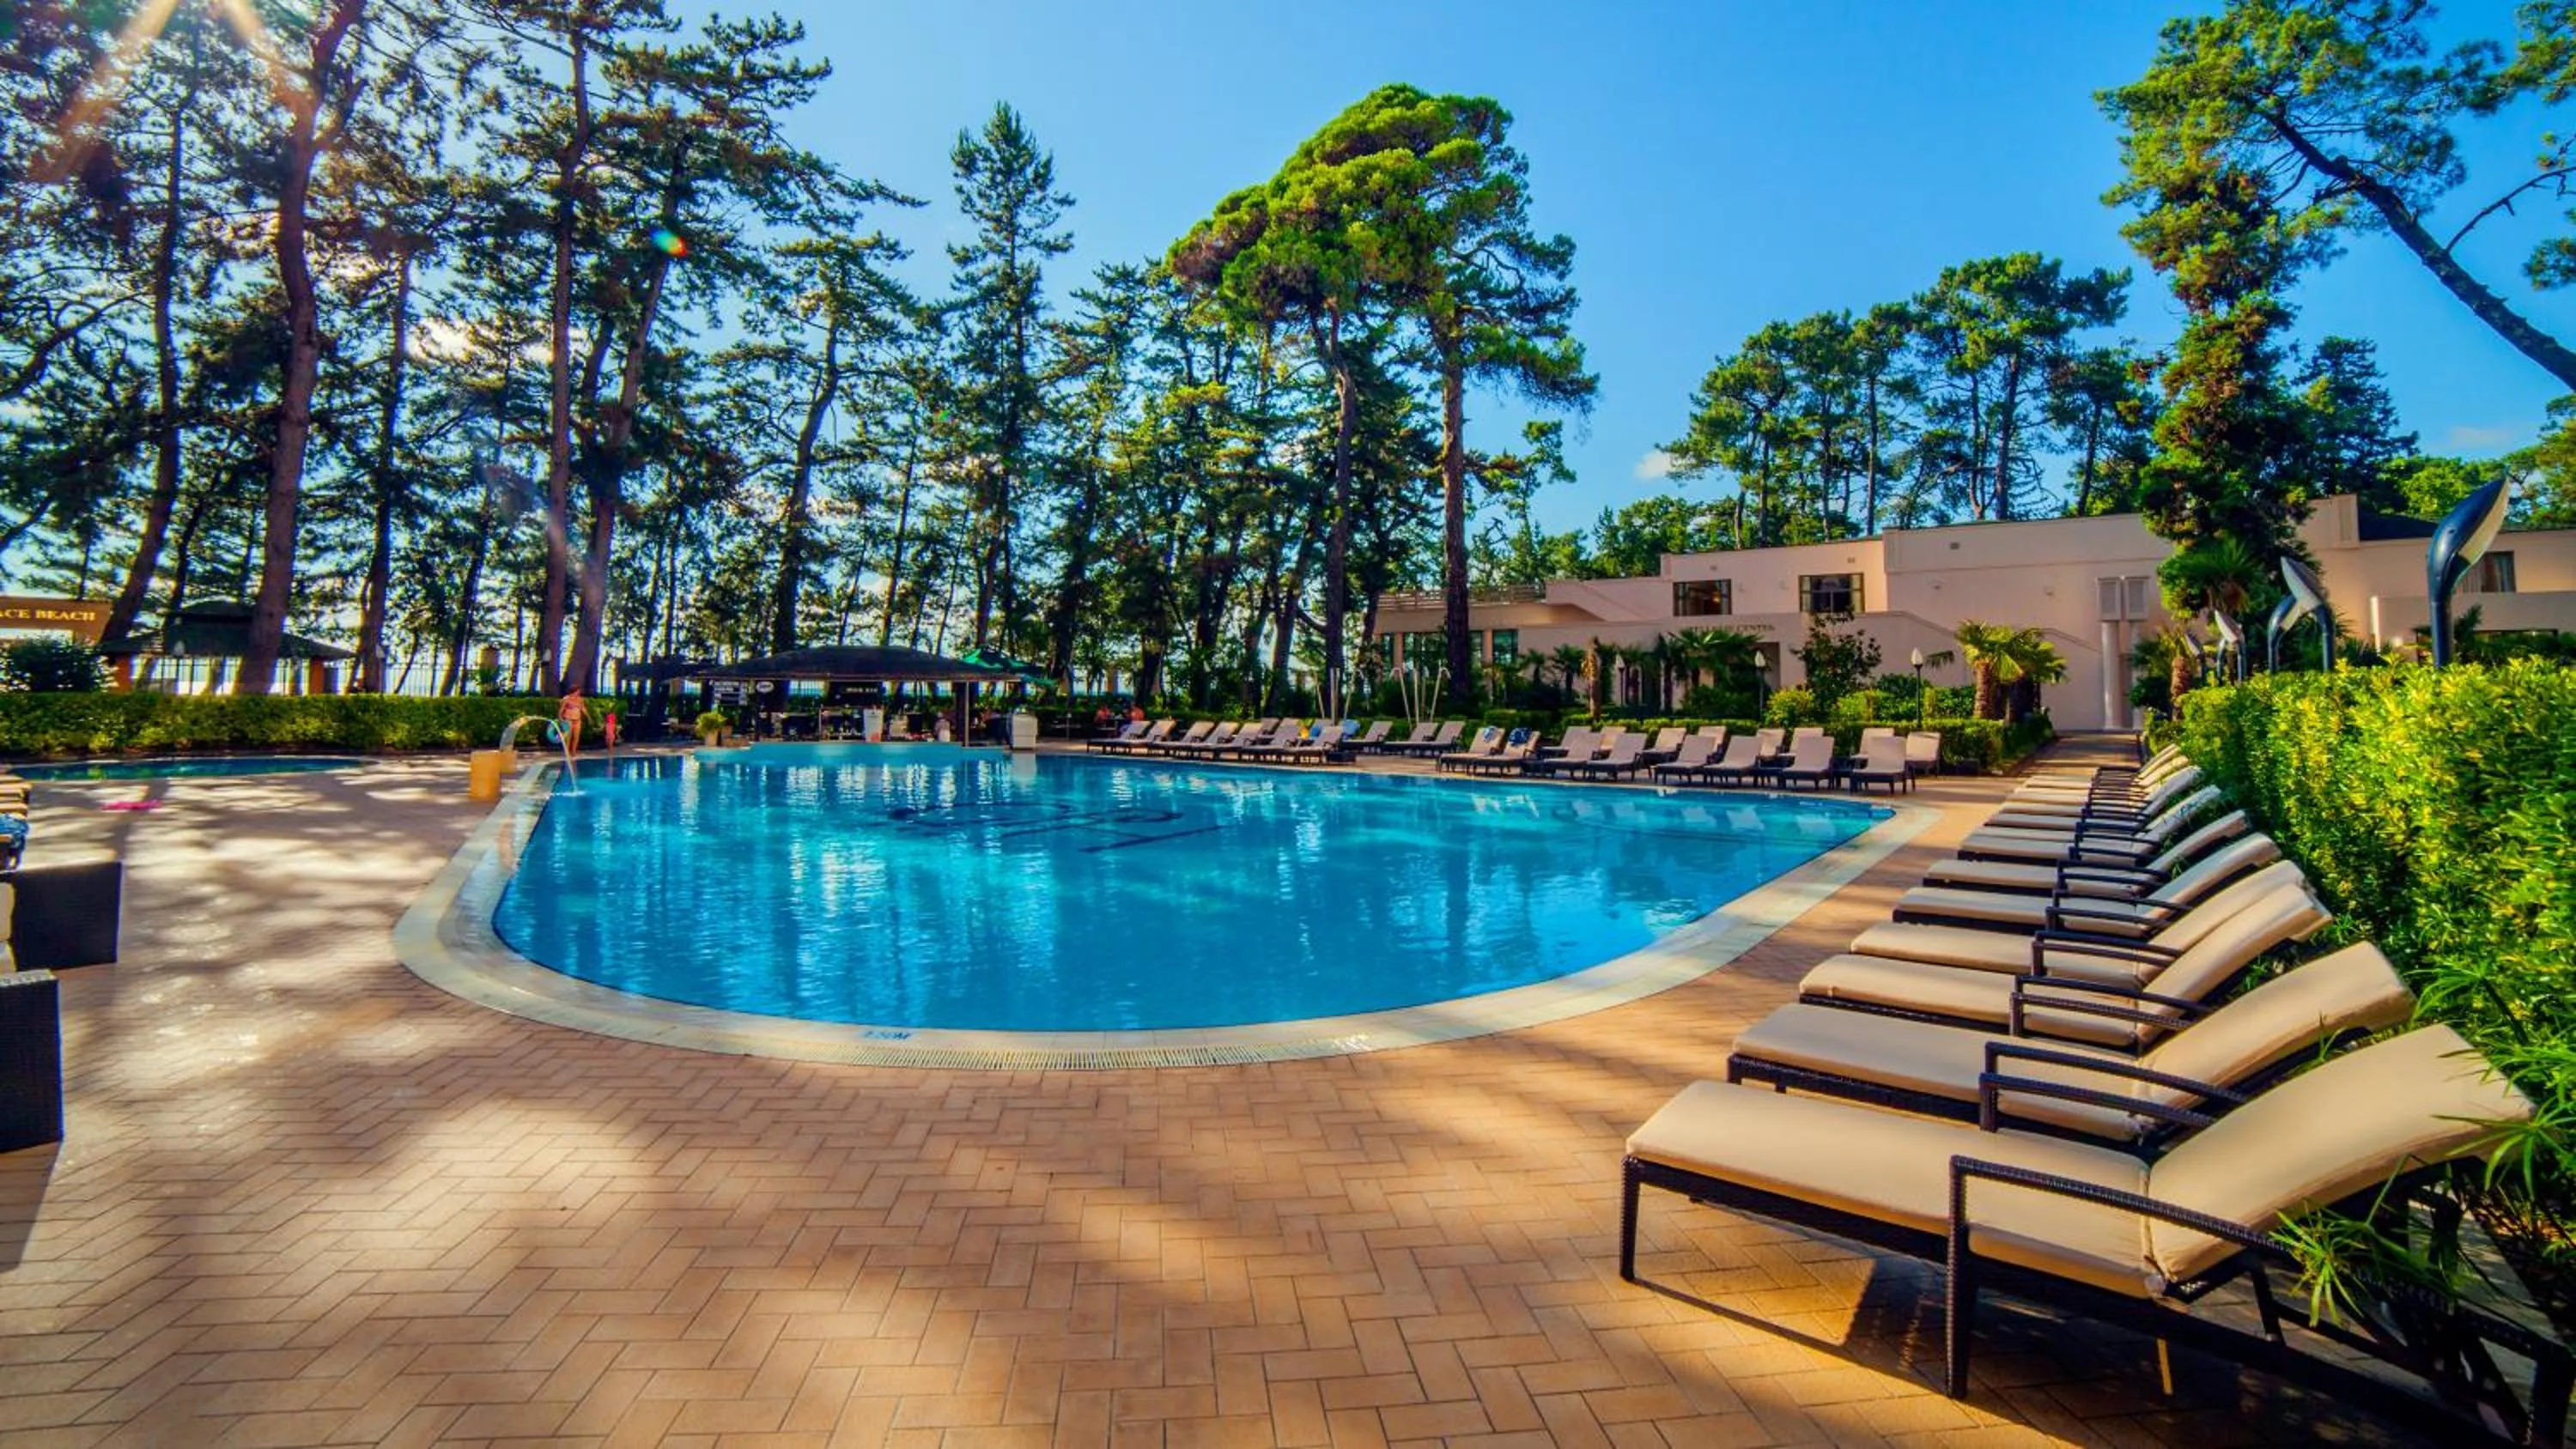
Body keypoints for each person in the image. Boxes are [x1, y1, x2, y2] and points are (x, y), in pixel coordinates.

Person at [558, 688, 586, 754]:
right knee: (569, 736)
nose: (579, 692)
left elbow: (583, 708)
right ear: (574, 691)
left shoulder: (580, 699)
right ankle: (567, 751)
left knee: (576, 736)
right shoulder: (567, 699)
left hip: (577, 720)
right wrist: (560, 717)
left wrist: (589, 717)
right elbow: (561, 709)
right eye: (578, 691)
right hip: (569, 719)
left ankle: (573, 751)